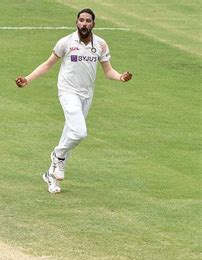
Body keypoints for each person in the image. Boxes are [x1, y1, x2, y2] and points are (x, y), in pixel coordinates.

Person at [15, 8, 132, 193]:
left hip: (87, 95)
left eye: (88, 21)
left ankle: (51, 176)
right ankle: (58, 155)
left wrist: (121, 77)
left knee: (69, 133)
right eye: (81, 20)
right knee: (79, 132)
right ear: (76, 22)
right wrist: (27, 79)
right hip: (68, 92)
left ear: (94, 24)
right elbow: (47, 65)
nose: (84, 24)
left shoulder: (100, 44)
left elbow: (108, 71)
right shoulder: (66, 42)